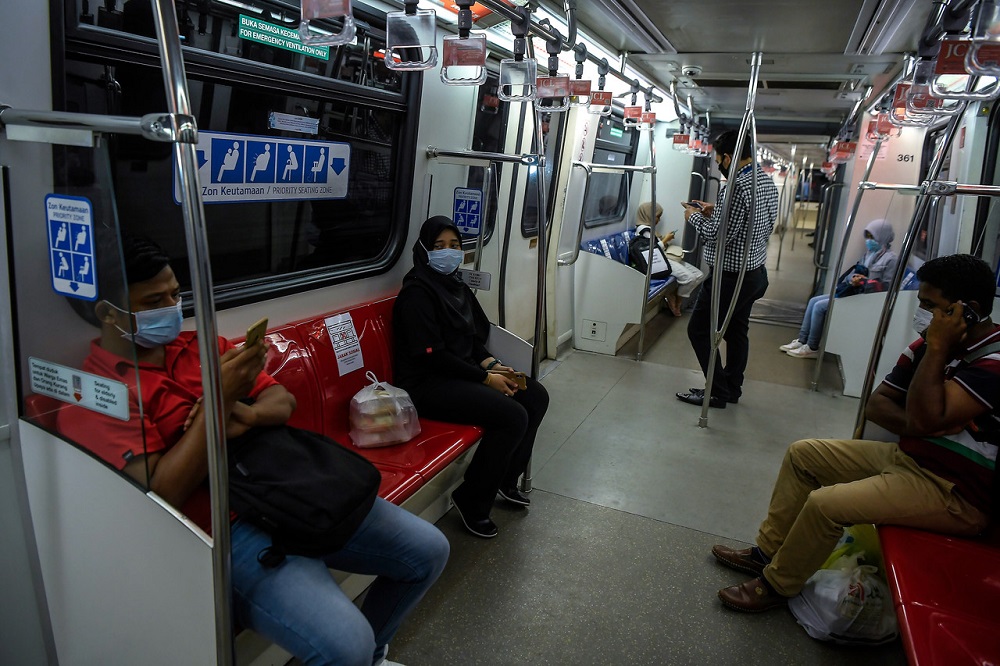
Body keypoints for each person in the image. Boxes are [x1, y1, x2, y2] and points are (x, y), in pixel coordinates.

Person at [58, 235, 448, 666]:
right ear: (108, 314)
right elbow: (163, 491)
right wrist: (221, 402)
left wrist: (245, 417)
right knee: (345, 646)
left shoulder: (199, 346)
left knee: (429, 551)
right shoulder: (95, 395)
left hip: (287, 486)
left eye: (174, 294)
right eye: (154, 302)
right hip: (226, 530)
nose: (172, 308)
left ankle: (374, 655)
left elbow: (282, 401)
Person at [712, 254, 998, 613]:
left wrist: (937, 358)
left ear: (967, 310)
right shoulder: (926, 346)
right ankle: (765, 552)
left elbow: (927, 415)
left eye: (930, 305)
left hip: (954, 492)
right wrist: (927, 422)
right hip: (911, 458)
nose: (922, 314)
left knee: (826, 504)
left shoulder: (991, 361)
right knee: (804, 455)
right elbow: (878, 406)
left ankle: (776, 585)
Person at [393, 216, 550, 539]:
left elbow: (471, 338)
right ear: (424, 250)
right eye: (439, 247)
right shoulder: (417, 294)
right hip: (427, 385)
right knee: (511, 416)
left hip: (460, 373)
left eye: (454, 246)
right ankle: (472, 499)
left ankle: (506, 479)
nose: (448, 253)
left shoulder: (456, 285)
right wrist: (484, 378)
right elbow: (431, 355)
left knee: (535, 396)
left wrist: (492, 364)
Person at [676, 130, 779, 409]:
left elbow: (716, 236)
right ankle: (732, 388)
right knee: (736, 332)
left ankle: (718, 391)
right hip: (755, 273)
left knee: (698, 331)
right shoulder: (766, 183)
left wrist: (694, 216)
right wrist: (715, 211)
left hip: (730, 279)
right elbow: (758, 225)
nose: (719, 165)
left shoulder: (735, 187)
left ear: (729, 157)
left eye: (719, 159)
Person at [782, 219, 898, 358]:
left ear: (881, 236)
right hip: (853, 291)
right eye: (867, 236)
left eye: (871, 237)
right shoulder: (868, 254)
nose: (868, 240)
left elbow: (886, 286)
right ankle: (802, 340)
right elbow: (854, 273)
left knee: (820, 307)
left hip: (866, 298)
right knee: (813, 301)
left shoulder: (891, 259)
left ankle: (812, 346)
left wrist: (863, 282)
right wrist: (854, 280)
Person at [634, 202, 705, 316]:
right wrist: (665, 240)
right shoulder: (644, 230)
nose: (659, 220)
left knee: (699, 275)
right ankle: (677, 301)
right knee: (690, 278)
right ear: (649, 215)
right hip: (657, 262)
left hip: (663, 258)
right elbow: (652, 252)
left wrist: (665, 240)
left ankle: (674, 295)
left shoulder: (649, 229)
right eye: (657, 216)